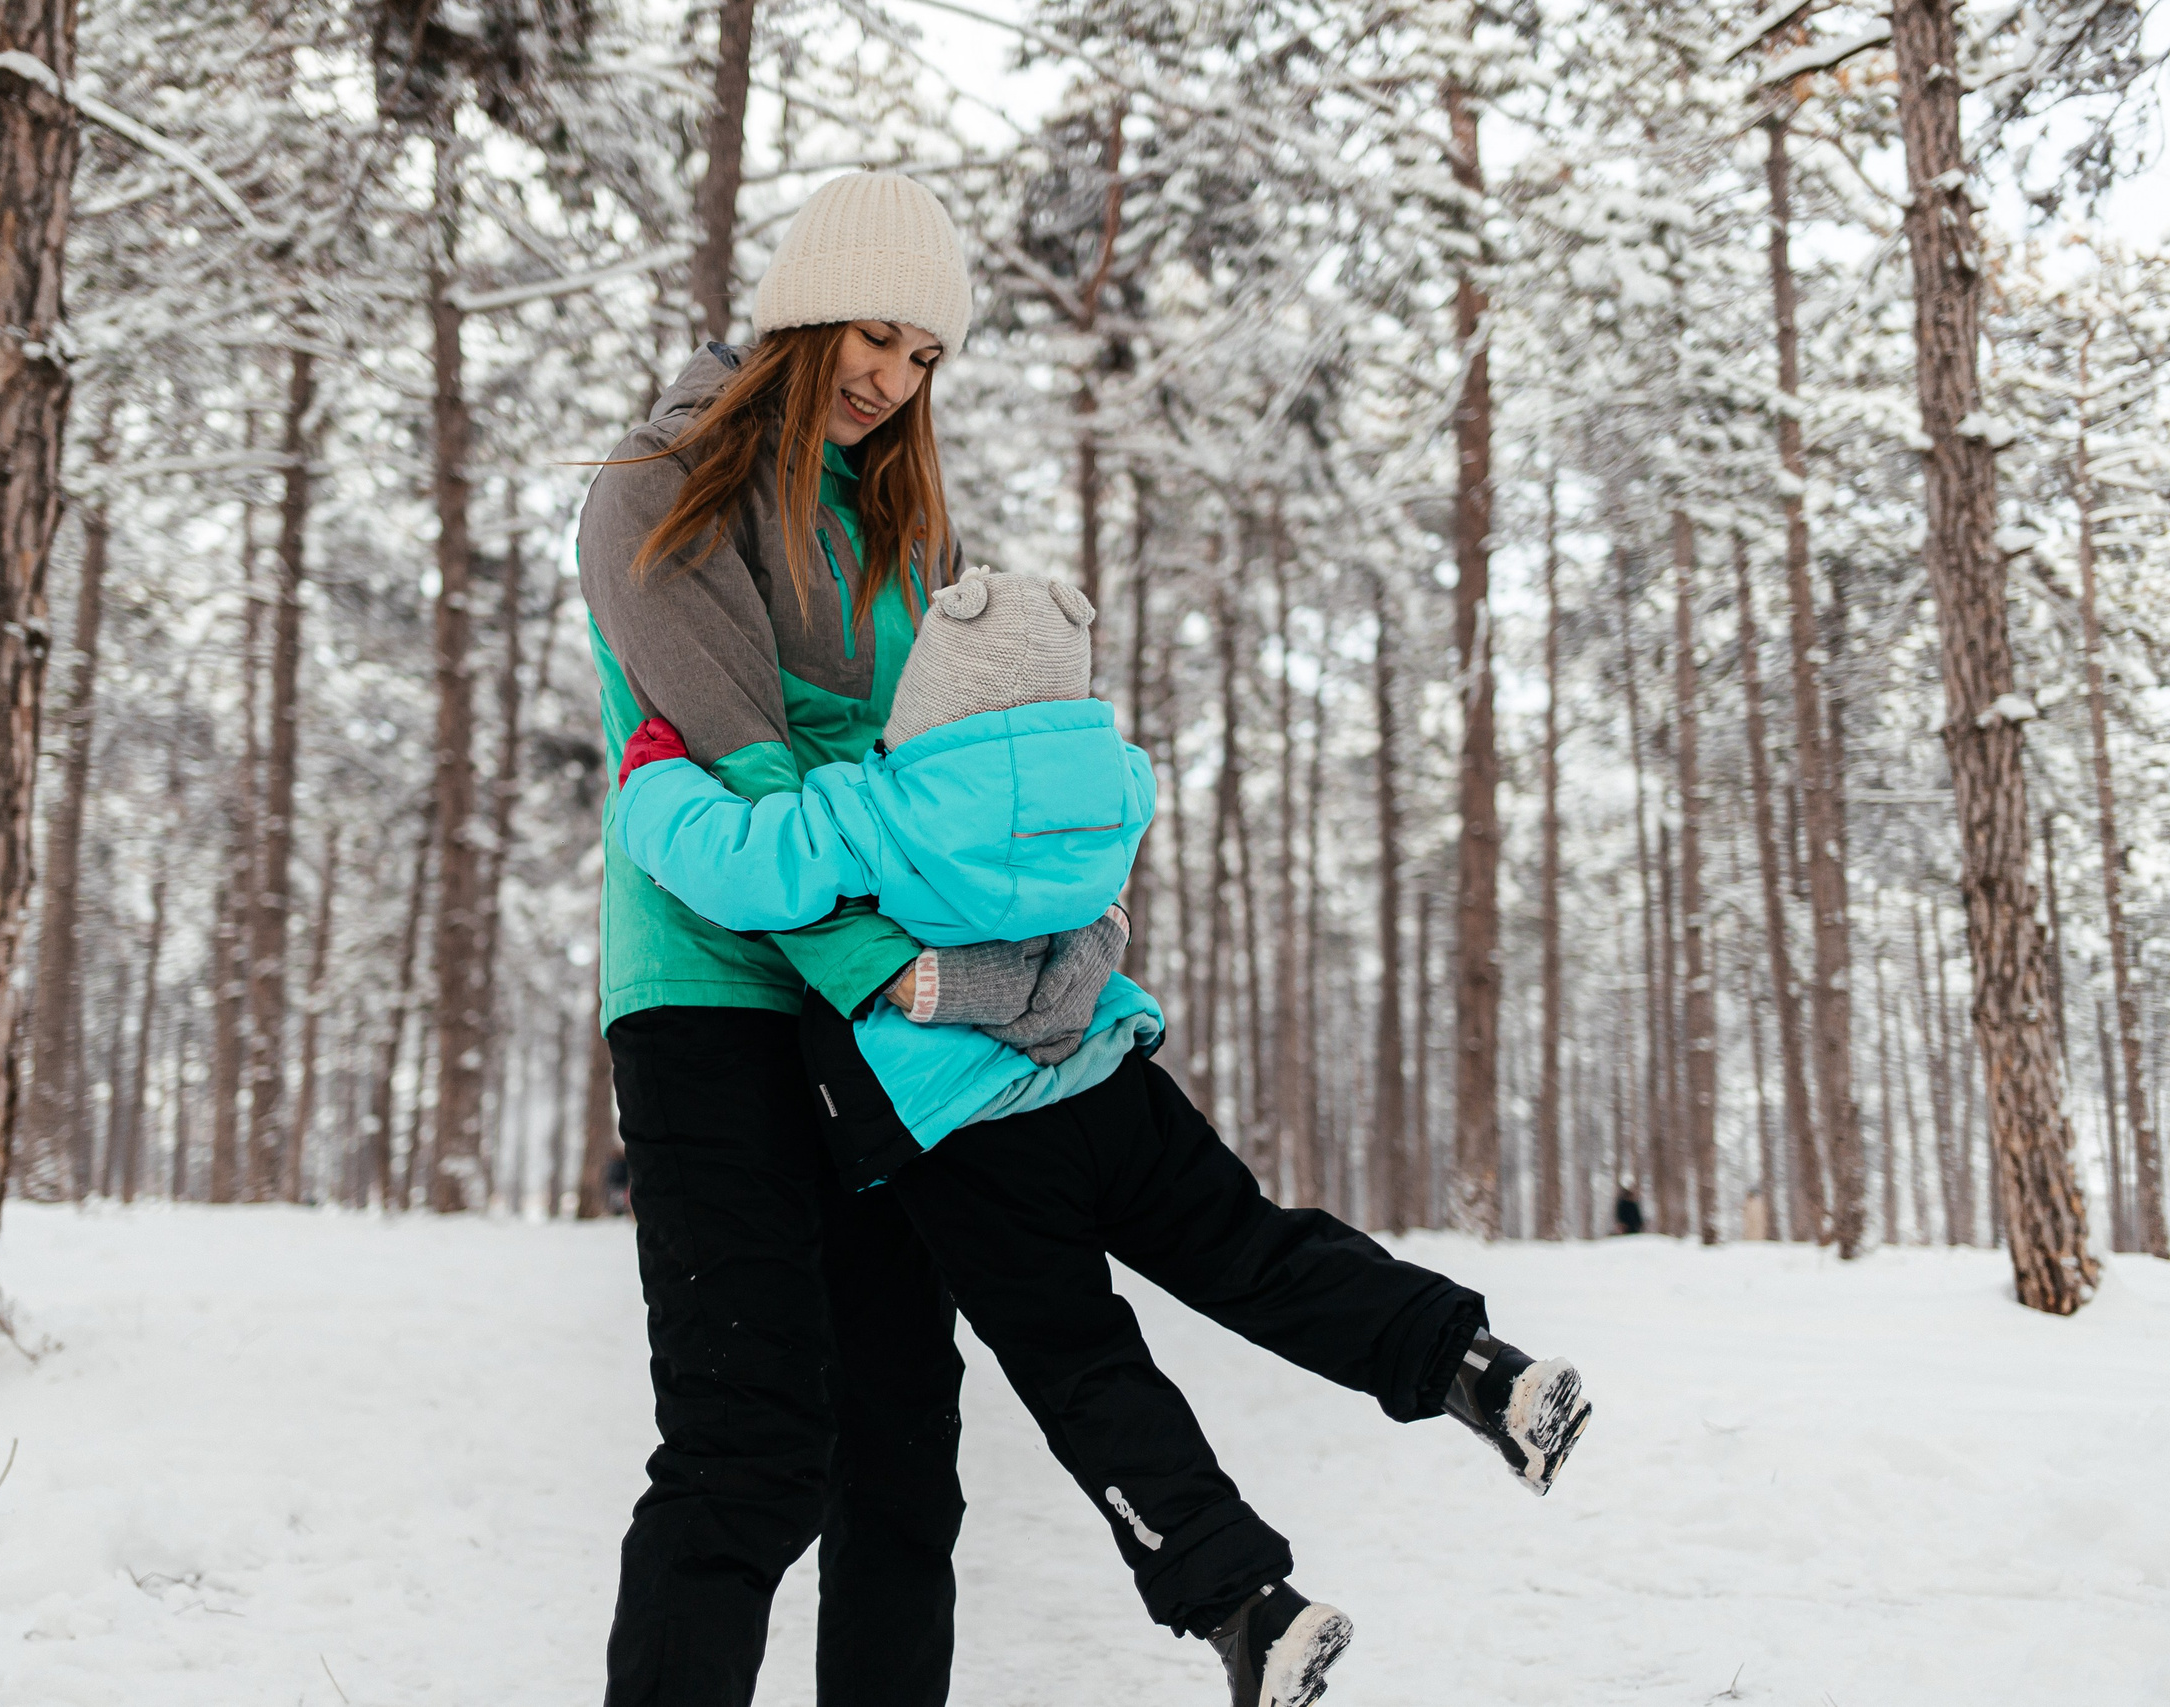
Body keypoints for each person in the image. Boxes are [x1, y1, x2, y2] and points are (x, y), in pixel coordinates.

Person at [615, 566, 1594, 1707]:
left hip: (971, 1140)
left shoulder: (881, 806)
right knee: (1259, 1251)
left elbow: (744, 863)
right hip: (1109, 1089)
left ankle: (1245, 1606)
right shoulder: (1112, 792)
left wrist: (651, 786)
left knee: (1087, 1370)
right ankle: (1474, 1368)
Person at [576, 172, 1117, 1707]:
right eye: (873, 338)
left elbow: (967, 792)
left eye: (926, 357)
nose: (892, 381)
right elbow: (745, 768)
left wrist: (1055, 930)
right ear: (802, 316)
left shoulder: (904, 536)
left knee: (904, 1462)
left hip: (889, 1012)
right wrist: (925, 969)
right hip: (714, 996)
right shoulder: (656, 484)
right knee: (750, 1448)